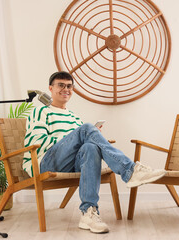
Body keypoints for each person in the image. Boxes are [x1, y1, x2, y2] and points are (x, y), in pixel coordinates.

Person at [23, 71, 166, 233]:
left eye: (69, 86)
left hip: (69, 163)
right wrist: (74, 138)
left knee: (90, 147)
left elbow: (80, 148)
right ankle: (130, 170)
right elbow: (38, 144)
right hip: (45, 162)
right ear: (50, 88)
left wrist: (86, 138)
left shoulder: (73, 117)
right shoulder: (40, 112)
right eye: (60, 85)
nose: (66, 89)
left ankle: (88, 213)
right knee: (86, 130)